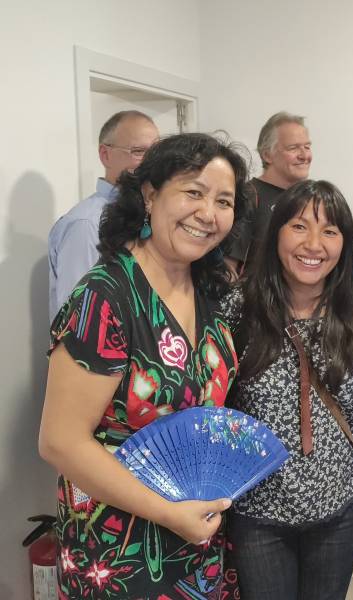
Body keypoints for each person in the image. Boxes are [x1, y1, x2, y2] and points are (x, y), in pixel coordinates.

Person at [38, 133, 251, 599]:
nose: (208, 213)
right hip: (118, 550)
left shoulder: (208, 290)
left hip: (197, 541)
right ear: (150, 195)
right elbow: (60, 441)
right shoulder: (105, 297)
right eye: (193, 192)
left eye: (223, 201)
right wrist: (168, 513)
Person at [222, 179, 353, 600]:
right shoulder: (238, 307)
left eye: (330, 231)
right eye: (299, 226)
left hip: (341, 502)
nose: (314, 244)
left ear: (345, 243)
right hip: (258, 508)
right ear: (275, 235)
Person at [48, 110, 159, 321]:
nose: (150, 163)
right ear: (105, 154)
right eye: (138, 151)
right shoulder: (86, 224)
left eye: (155, 152)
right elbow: (80, 318)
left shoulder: (150, 213)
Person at [224, 111, 312, 274]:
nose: (304, 155)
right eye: (293, 148)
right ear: (267, 155)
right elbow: (228, 267)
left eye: (307, 147)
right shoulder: (248, 195)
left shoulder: (310, 198)